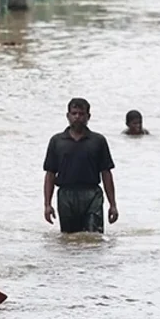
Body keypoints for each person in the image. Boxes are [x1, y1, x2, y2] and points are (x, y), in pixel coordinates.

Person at [42, 98, 118, 234]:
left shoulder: (98, 141)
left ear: (88, 116)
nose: (77, 117)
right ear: (68, 116)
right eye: (74, 113)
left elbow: (106, 173)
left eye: (81, 114)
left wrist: (113, 205)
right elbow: (50, 174)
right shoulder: (57, 141)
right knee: (69, 238)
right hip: (66, 195)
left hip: (92, 194)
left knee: (93, 236)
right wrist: (47, 205)